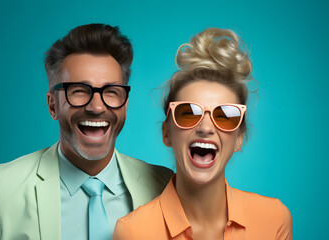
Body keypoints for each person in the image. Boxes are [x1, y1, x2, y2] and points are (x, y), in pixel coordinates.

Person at [0, 23, 173, 240]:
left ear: (125, 104)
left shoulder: (165, 187)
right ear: (52, 105)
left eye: (111, 92)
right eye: (78, 91)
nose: (96, 107)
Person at [113, 28, 293, 239]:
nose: (206, 128)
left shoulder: (274, 220)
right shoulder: (133, 232)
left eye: (225, 116)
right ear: (167, 134)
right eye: (189, 113)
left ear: (239, 139)